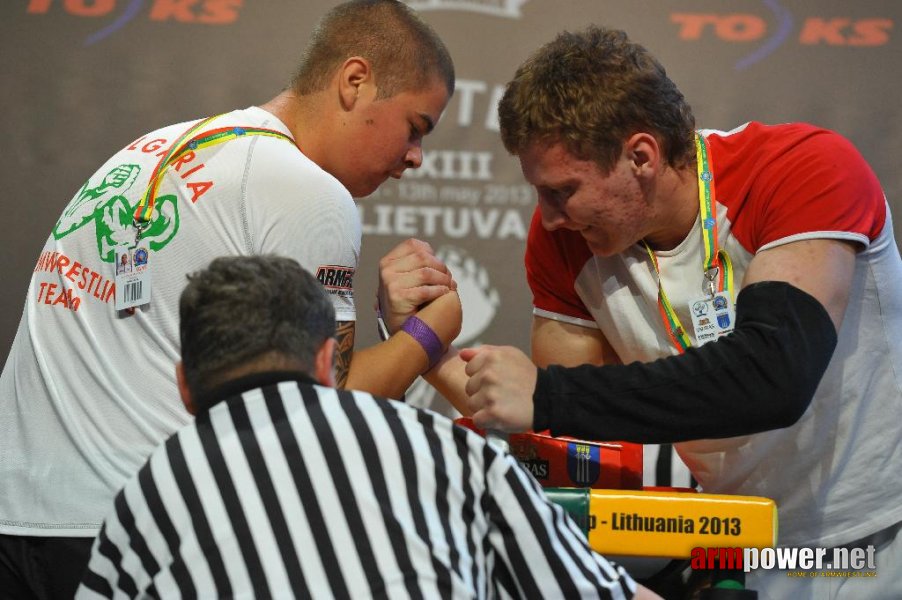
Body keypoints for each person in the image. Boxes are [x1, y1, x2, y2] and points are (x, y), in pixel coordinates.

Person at [0, 1, 464, 596]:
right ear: (355, 81)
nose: (414, 159)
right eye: (416, 127)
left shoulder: (156, 148)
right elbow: (327, 402)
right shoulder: (307, 192)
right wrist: (429, 333)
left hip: (16, 513)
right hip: (133, 532)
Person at [460, 26, 902, 597]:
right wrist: (423, 342)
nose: (547, 218)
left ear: (640, 156)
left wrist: (549, 397)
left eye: (563, 191)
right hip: (738, 546)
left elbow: (773, 378)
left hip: (875, 535)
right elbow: (567, 442)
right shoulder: (565, 242)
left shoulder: (801, 168)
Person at [74, 255, 657, 599]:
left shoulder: (151, 493)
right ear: (329, 363)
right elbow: (597, 592)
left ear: (184, 385)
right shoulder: (443, 450)